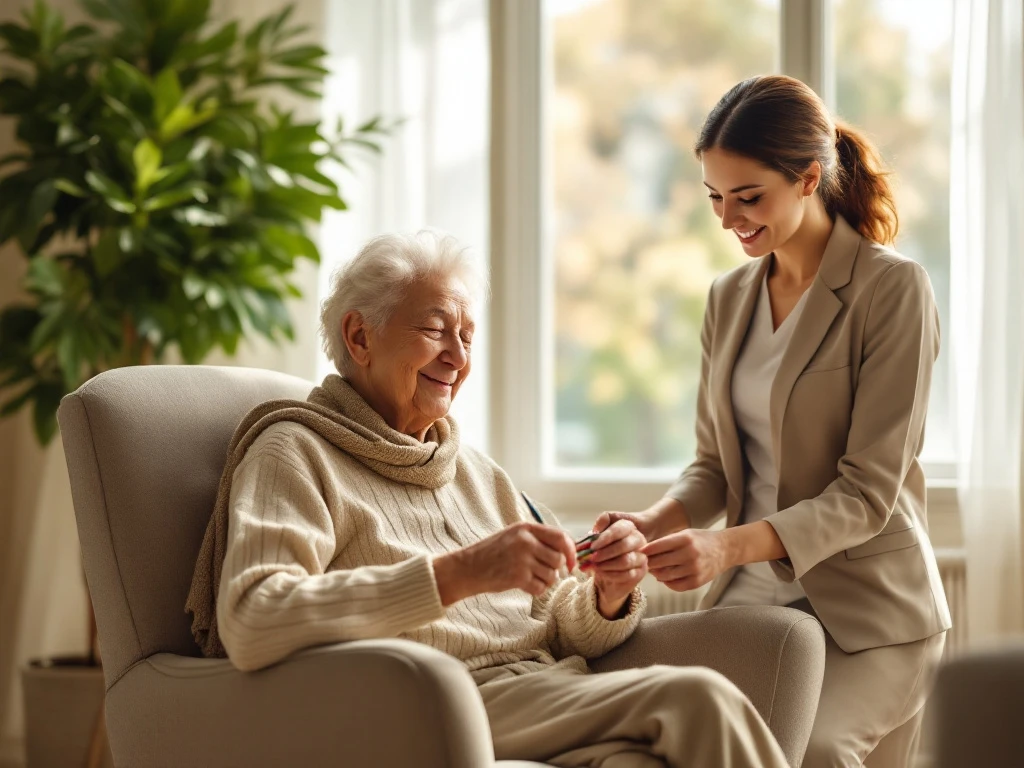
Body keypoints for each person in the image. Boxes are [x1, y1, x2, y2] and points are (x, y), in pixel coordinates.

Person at [185, 230, 790, 768]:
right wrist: (456, 574)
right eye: (433, 329)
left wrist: (606, 593)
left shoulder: (473, 471)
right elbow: (254, 617)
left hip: (537, 689)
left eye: (467, 336)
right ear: (359, 336)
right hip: (432, 703)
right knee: (699, 699)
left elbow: (559, 622)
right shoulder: (296, 451)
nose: (457, 356)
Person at [595, 75, 951, 767]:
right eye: (716, 199)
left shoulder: (892, 290)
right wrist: (650, 523)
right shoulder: (728, 299)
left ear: (808, 178)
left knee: (812, 753)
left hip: (869, 613)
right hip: (756, 602)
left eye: (748, 197)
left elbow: (867, 492)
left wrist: (723, 548)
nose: (728, 219)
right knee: (681, 742)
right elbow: (713, 469)